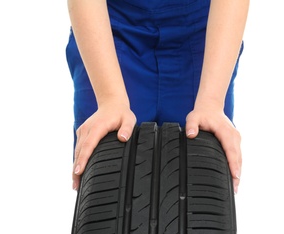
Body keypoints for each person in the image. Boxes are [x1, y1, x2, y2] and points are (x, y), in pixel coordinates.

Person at [66, 0, 249, 194]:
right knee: (106, 183)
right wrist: (109, 99)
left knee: (204, 181)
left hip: (202, 32)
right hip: (111, 29)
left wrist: (212, 102)